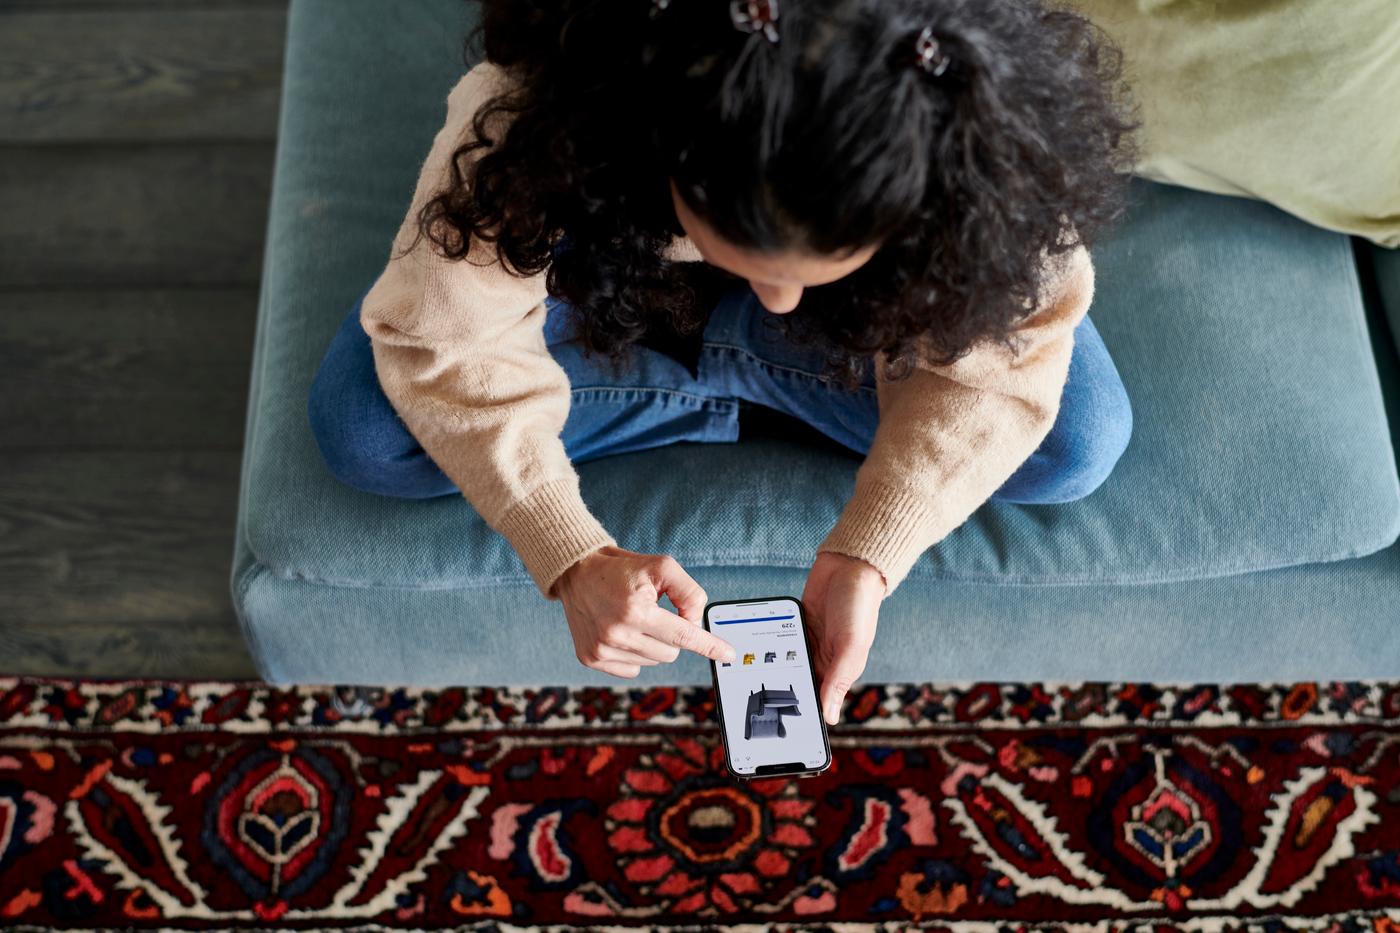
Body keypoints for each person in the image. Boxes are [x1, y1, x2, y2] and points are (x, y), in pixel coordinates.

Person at [309, 0, 1140, 725]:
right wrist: (568, 551)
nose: (778, 302)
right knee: (364, 429)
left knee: (1074, 439)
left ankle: (705, 386)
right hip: (607, 261)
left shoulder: (968, 141)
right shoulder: (543, 111)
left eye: (809, 268)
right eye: (746, 254)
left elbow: (1009, 360)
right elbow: (443, 337)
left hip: (713, 322)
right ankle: (773, 395)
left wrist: (871, 552)